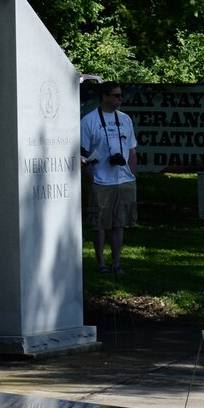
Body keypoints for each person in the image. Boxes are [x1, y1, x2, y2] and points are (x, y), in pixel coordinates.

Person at [79, 80, 138, 275]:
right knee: (100, 224)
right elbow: (84, 154)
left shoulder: (125, 119)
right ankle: (101, 264)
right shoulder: (89, 121)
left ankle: (117, 263)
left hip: (123, 179)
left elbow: (131, 150)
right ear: (104, 97)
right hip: (101, 180)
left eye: (121, 95)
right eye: (116, 95)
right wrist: (91, 178)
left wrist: (132, 175)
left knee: (119, 223)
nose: (120, 99)